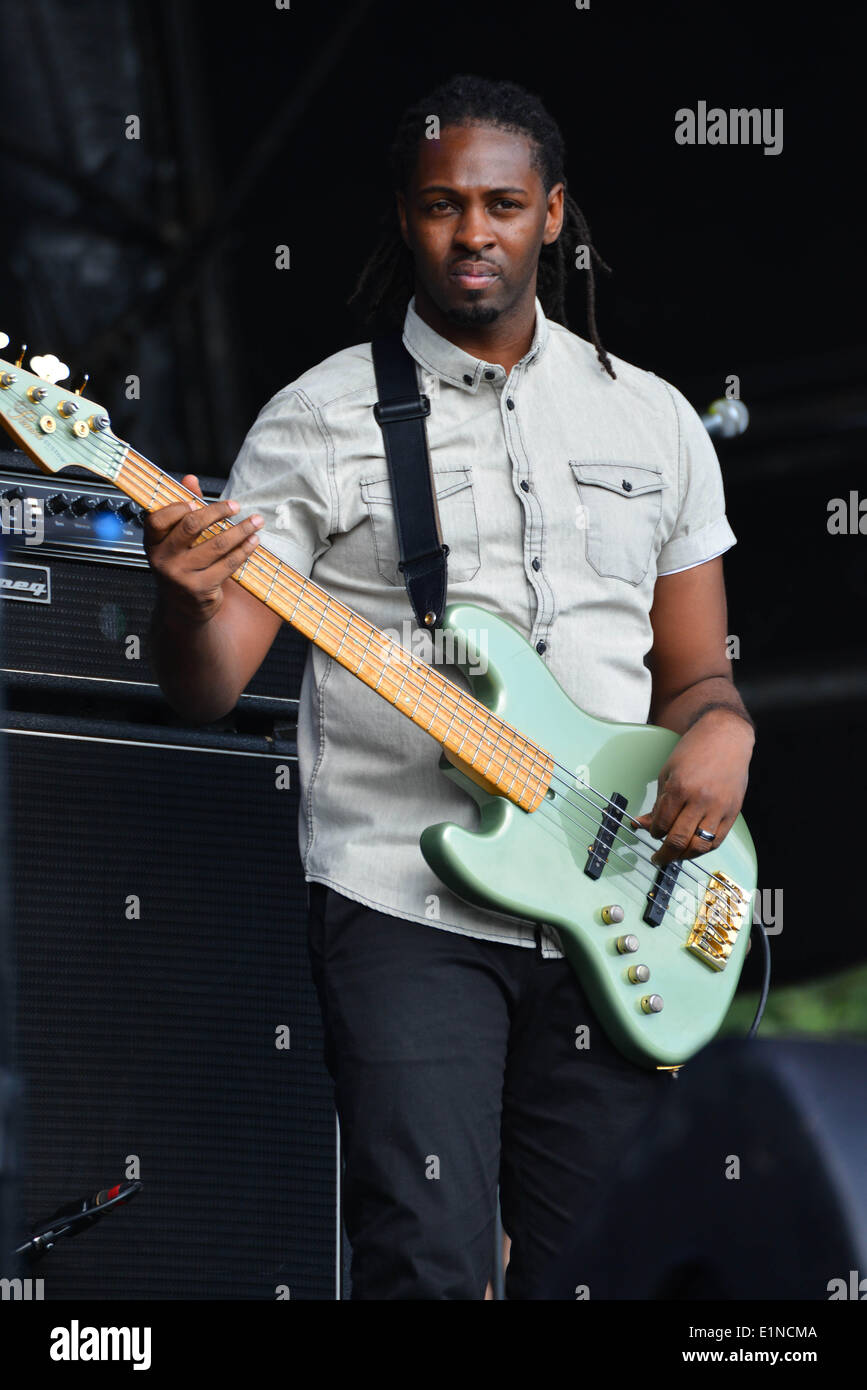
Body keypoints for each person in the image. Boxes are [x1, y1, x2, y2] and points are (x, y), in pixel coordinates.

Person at [145, 74, 755, 1300]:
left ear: (554, 213)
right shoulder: (316, 422)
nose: (473, 231)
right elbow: (207, 691)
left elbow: (694, 673)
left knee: (609, 1269)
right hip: (403, 899)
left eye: (501, 203)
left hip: (616, 899)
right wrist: (188, 595)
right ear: (406, 219)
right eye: (440, 206)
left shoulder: (656, 423)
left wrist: (725, 732)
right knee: (425, 1260)